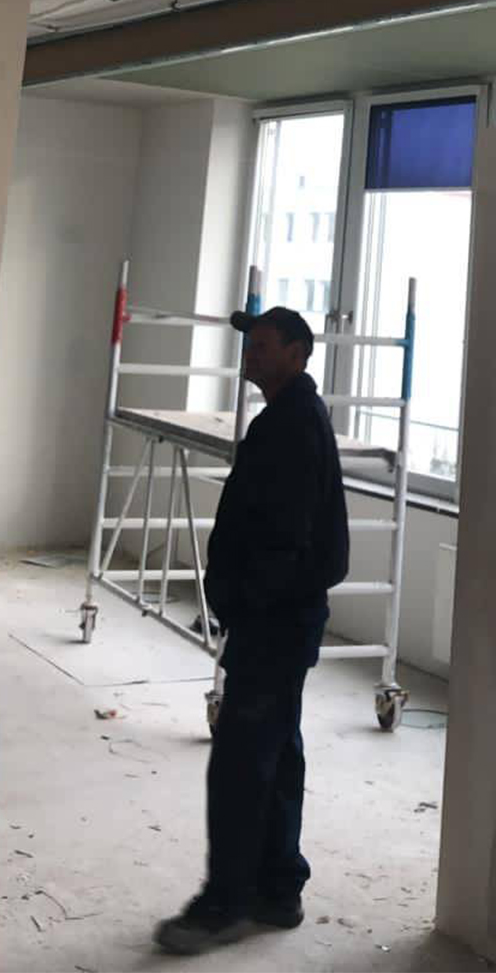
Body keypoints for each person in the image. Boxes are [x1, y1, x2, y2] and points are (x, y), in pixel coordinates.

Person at [155, 306, 349, 956]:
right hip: (282, 617)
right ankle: (278, 887)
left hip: (274, 620)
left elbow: (285, 536)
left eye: (265, 345)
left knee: (242, 760)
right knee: (276, 750)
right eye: (250, 345)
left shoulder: (293, 425)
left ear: (298, 353)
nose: (253, 355)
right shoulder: (288, 418)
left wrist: (245, 600)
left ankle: (226, 903)